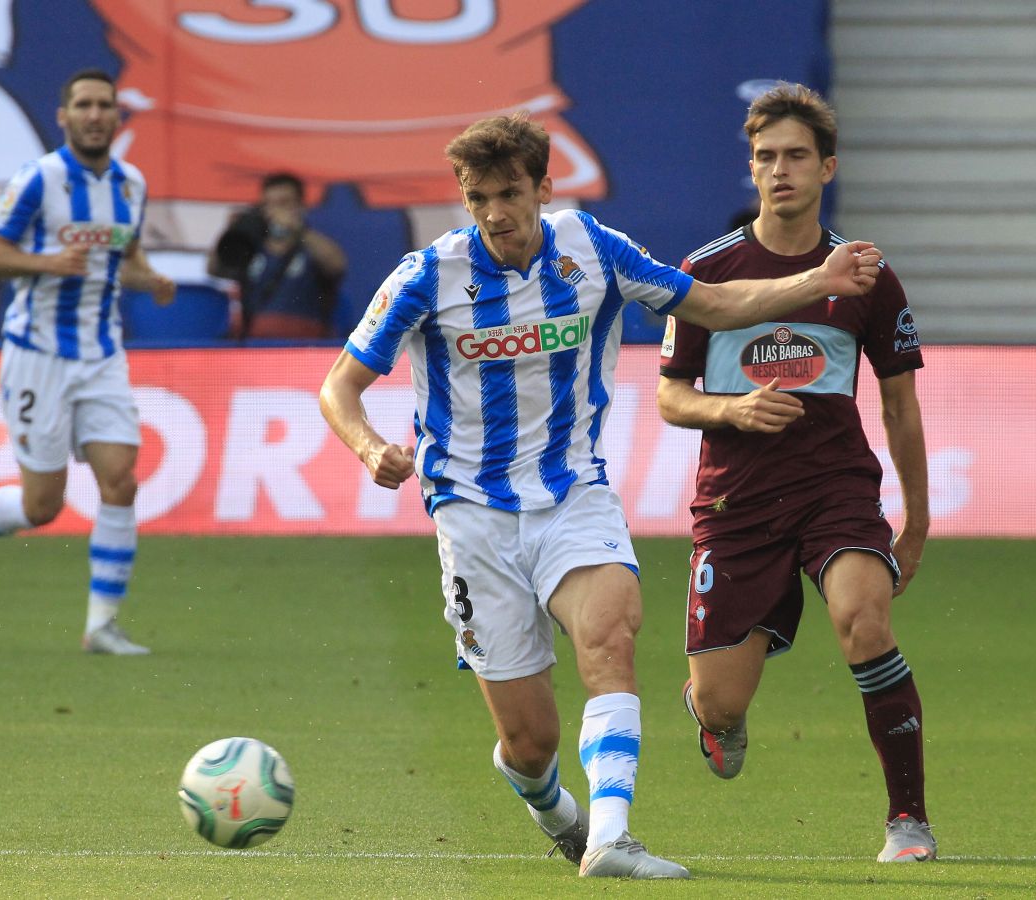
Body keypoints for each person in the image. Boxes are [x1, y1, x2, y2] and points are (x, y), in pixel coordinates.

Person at [318, 112, 883, 879]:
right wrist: (367, 447)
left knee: (610, 637)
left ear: (543, 187)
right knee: (530, 744)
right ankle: (558, 812)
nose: (494, 213)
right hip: (471, 516)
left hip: (572, 495)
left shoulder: (592, 249)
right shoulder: (426, 275)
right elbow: (339, 386)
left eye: (509, 194)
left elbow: (712, 304)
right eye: (478, 197)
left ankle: (611, 838)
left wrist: (816, 281)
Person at [657, 83, 935, 863]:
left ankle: (907, 821)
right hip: (736, 504)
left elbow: (900, 406)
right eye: (765, 156)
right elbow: (670, 397)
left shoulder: (866, 274)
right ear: (750, 169)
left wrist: (916, 521)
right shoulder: (705, 271)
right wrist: (732, 410)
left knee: (864, 622)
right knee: (720, 700)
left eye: (796, 156)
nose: (779, 170)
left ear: (826, 168)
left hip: (832, 491)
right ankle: (714, 713)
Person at [0, 68, 175, 656]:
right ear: (64, 117)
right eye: (83, 105)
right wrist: (45, 264)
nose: (95, 115)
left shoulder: (131, 184)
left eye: (105, 105)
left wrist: (151, 279)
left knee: (121, 480)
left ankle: (101, 625)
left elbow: (124, 257)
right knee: (42, 507)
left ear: (117, 115)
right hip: (38, 355)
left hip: (102, 353)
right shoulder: (38, 179)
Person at [208, 172, 347, 339]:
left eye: (284, 203)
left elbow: (337, 264)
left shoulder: (311, 245)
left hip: (304, 344)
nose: (275, 211)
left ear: (301, 206)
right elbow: (214, 269)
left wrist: (297, 229)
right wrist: (231, 234)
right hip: (253, 344)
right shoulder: (252, 248)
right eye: (269, 204)